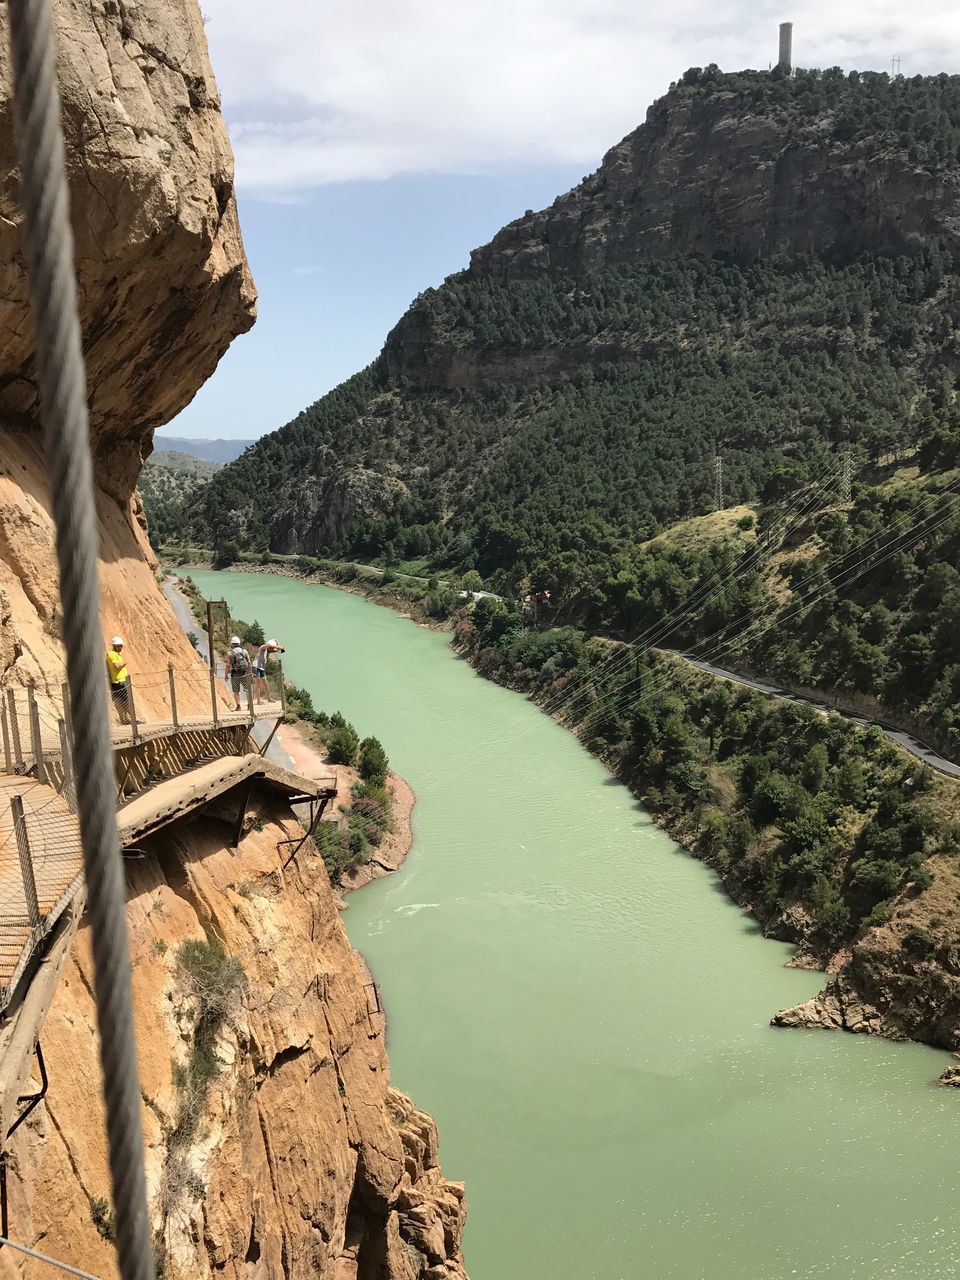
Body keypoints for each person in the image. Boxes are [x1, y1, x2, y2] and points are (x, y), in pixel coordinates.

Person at [252, 637, 285, 704]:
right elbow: (270, 646)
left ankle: (269, 698)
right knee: (258, 684)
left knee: (265, 684)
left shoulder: (268, 650)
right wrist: (279, 646)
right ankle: (258, 701)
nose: (273, 650)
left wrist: (280, 647)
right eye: (272, 648)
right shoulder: (263, 647)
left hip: (261, 668)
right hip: (256, 667)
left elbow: (276, 645)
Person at [106, 635, 130, 724]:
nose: (120, 647)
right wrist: (125, 662)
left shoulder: (117, 654)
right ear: (114, 646)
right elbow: (117, 666)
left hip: (122, 680)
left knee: (123, 700)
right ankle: (129, 720)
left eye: (121, 645)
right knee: (126, 700)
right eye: (118, 646)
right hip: (119, 681)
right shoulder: (112, 654)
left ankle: (126, 719)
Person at [225, 635, 251, 711]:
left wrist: (226, 674)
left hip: (235, 673)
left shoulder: (230, 653)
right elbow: (249, 662)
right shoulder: (244, 651)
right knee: (247, 689)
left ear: (232, 644)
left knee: (236, 690)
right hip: (245, 672)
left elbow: (228, 665)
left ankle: (238, 706)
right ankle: (249, 705)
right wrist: (249, 672)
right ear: (239, 643)